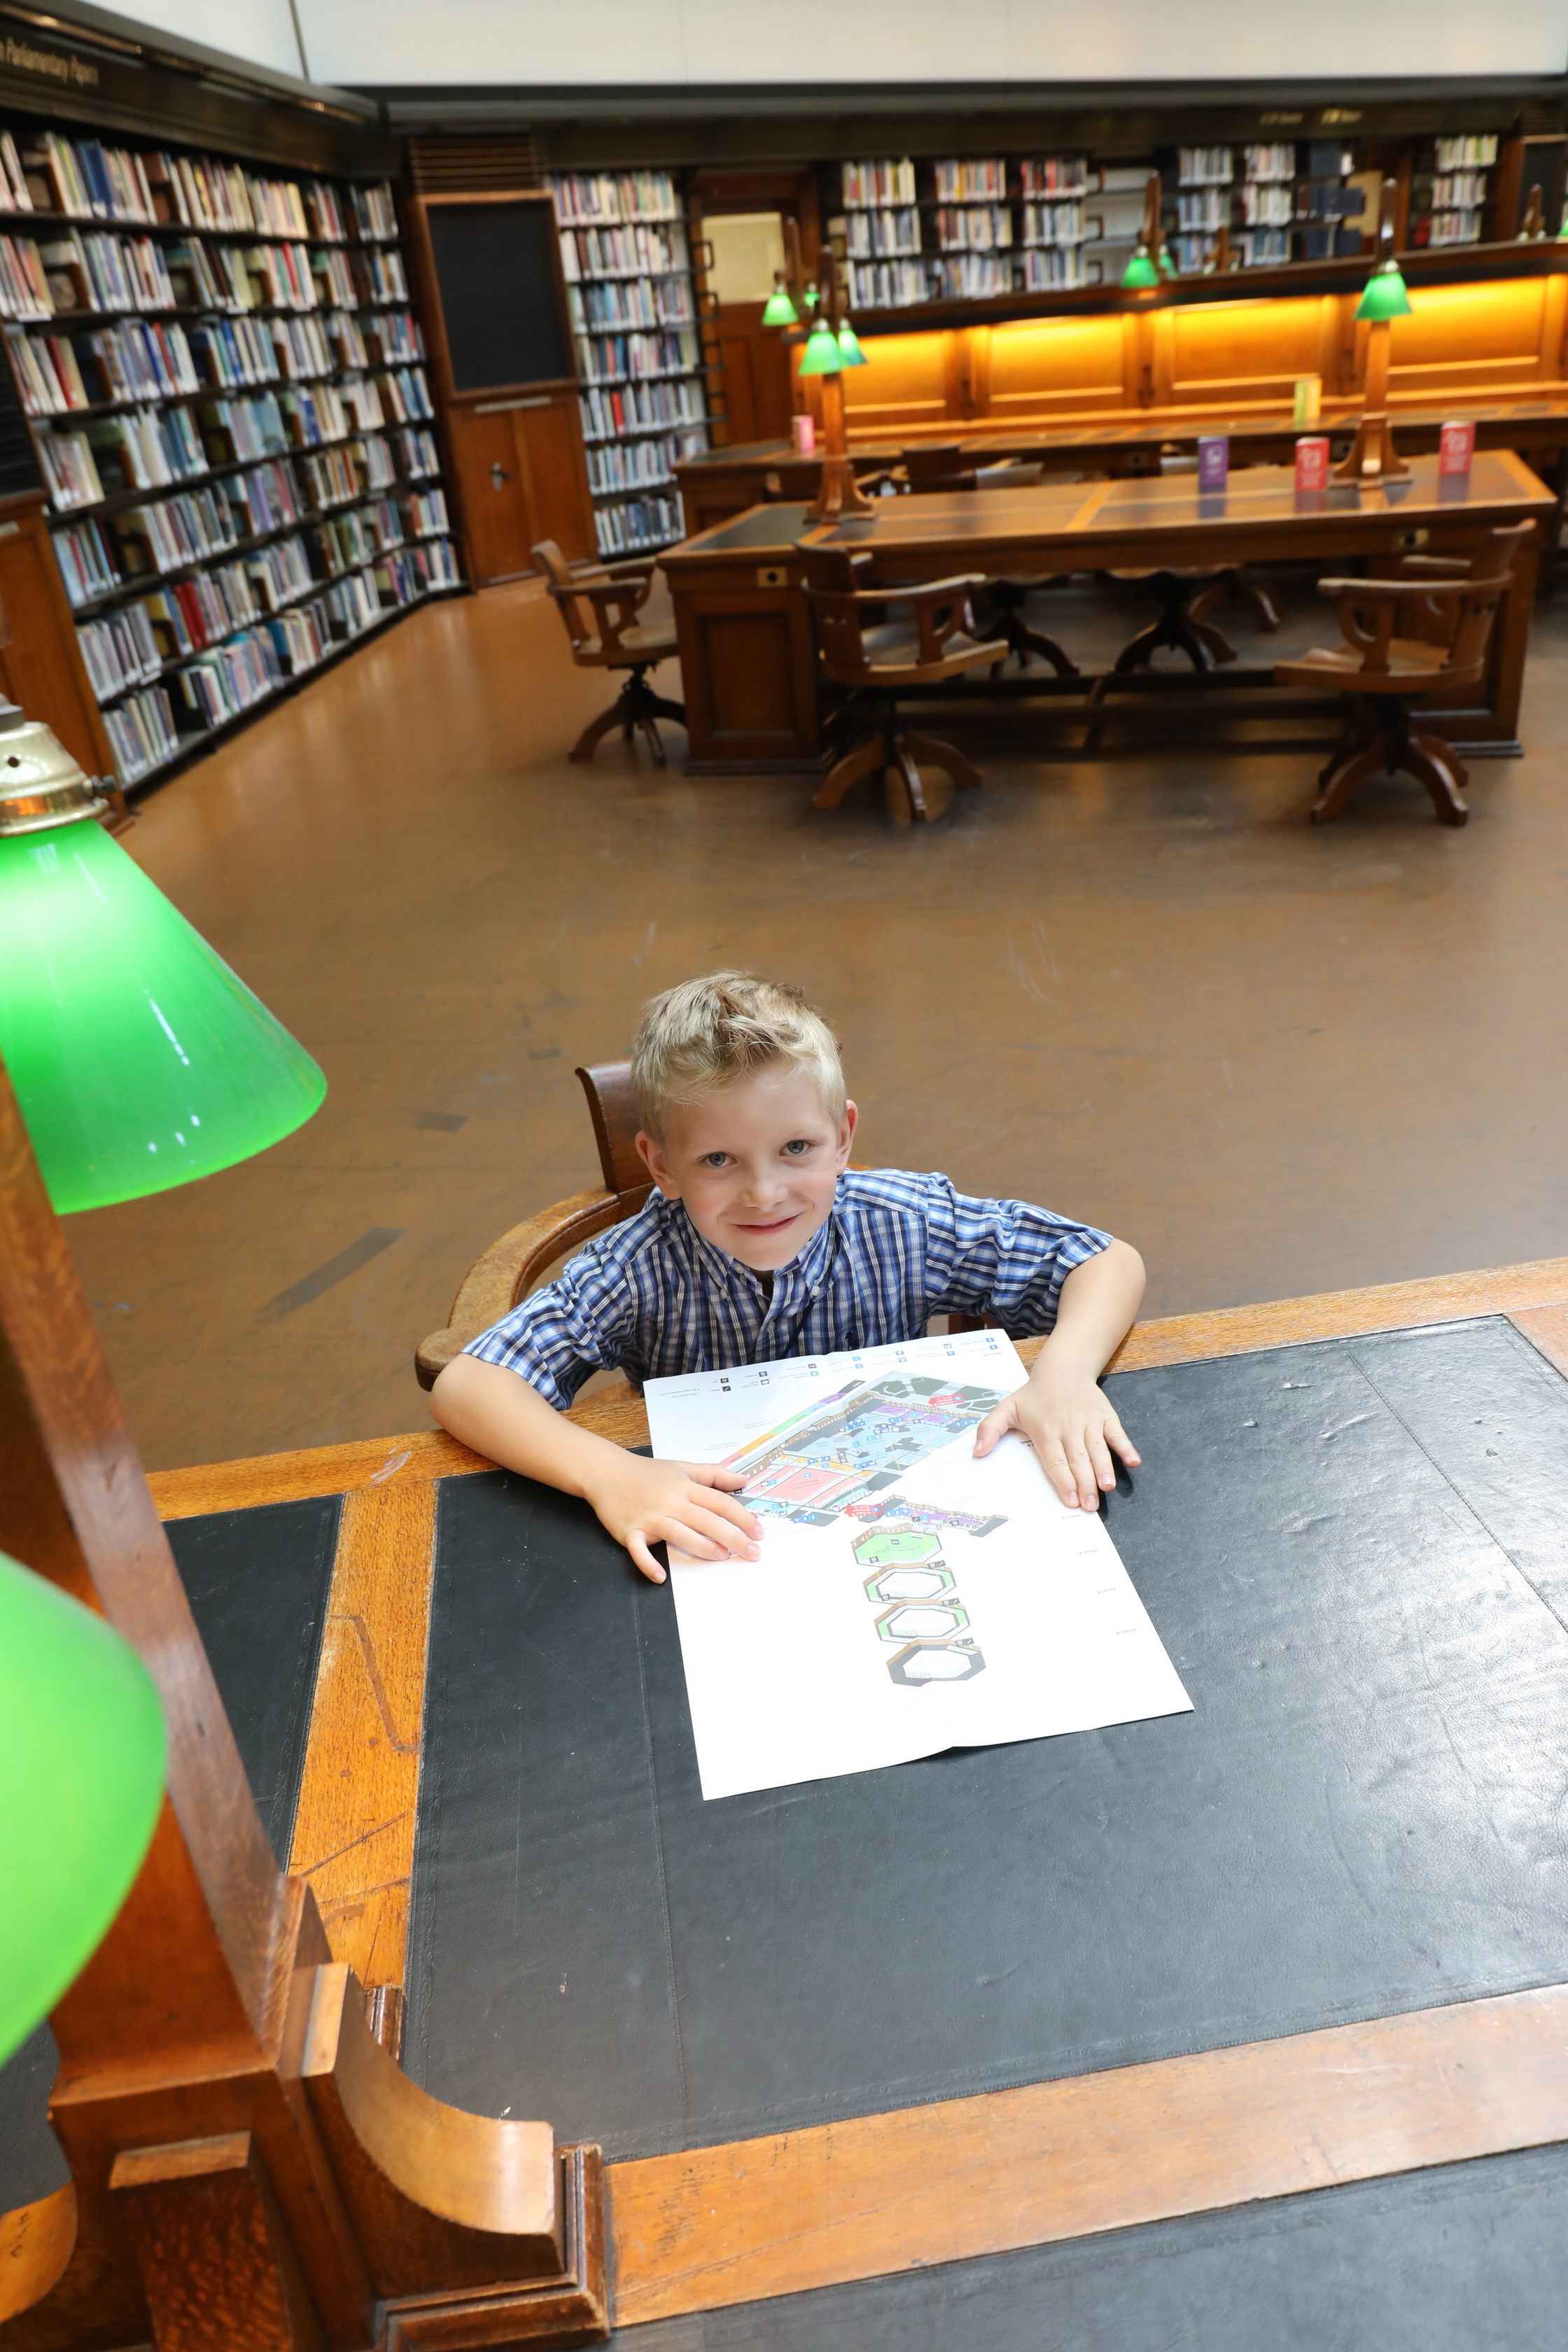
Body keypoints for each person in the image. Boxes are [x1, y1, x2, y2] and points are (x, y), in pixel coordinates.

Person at [430, 972, 1145, 1582]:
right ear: (661, 1166)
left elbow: (1103, 1259)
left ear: (843, 1138)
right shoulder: (635, 1267)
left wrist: (1063, 1377)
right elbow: (468, 1386)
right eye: (718, 1160)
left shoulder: (905, 1222)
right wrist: (611, 1474)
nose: (764, 1193)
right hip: (723, 1548)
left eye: (796, 1147)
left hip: (889, 1522)